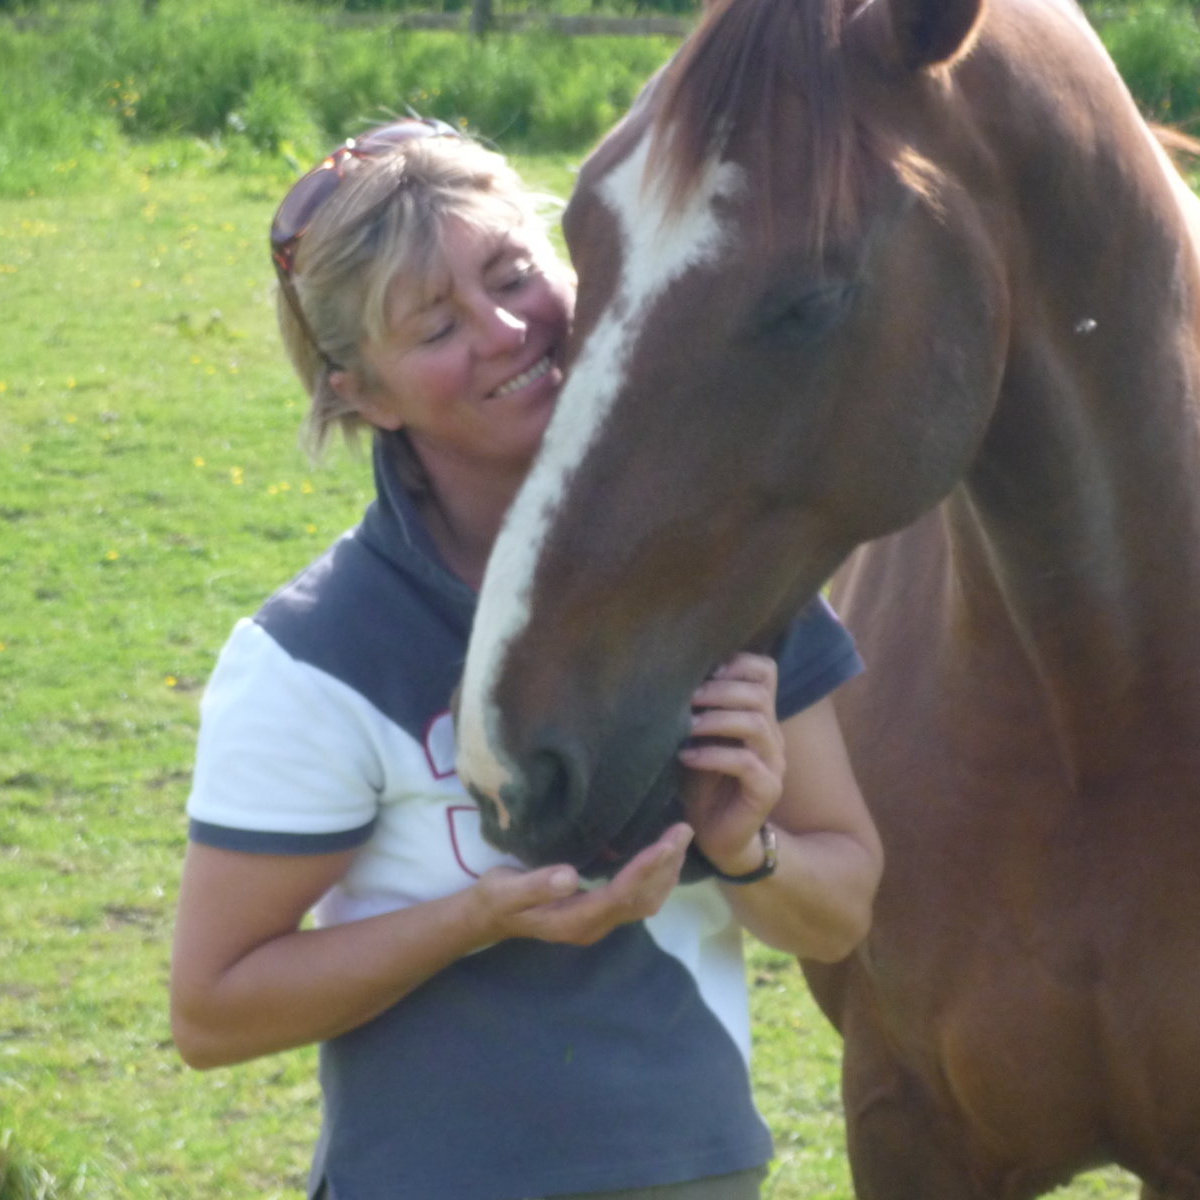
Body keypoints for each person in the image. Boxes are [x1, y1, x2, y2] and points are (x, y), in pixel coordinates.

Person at [167, 117, 884, 1200]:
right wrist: (475, 919)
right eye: (435, 325)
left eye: (513, 273)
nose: (504, 328)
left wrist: (746, 848)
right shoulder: (314, 654)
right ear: (358, 392)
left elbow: (844, 908)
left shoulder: (725, 571)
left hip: (702, 1176)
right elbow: (213, 1009)